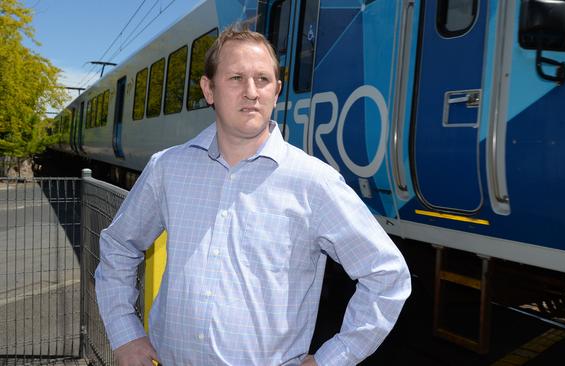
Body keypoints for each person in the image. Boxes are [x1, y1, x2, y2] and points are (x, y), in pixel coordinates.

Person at [95, 25, 411, 366]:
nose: (251, 92)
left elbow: (386, 275)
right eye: (235, 78)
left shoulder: (314, 183)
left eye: (262, 79)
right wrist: (125, 333)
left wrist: (332, 359)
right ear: (209, 89)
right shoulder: (167, 169)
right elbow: (119, 244)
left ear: (276, 92)